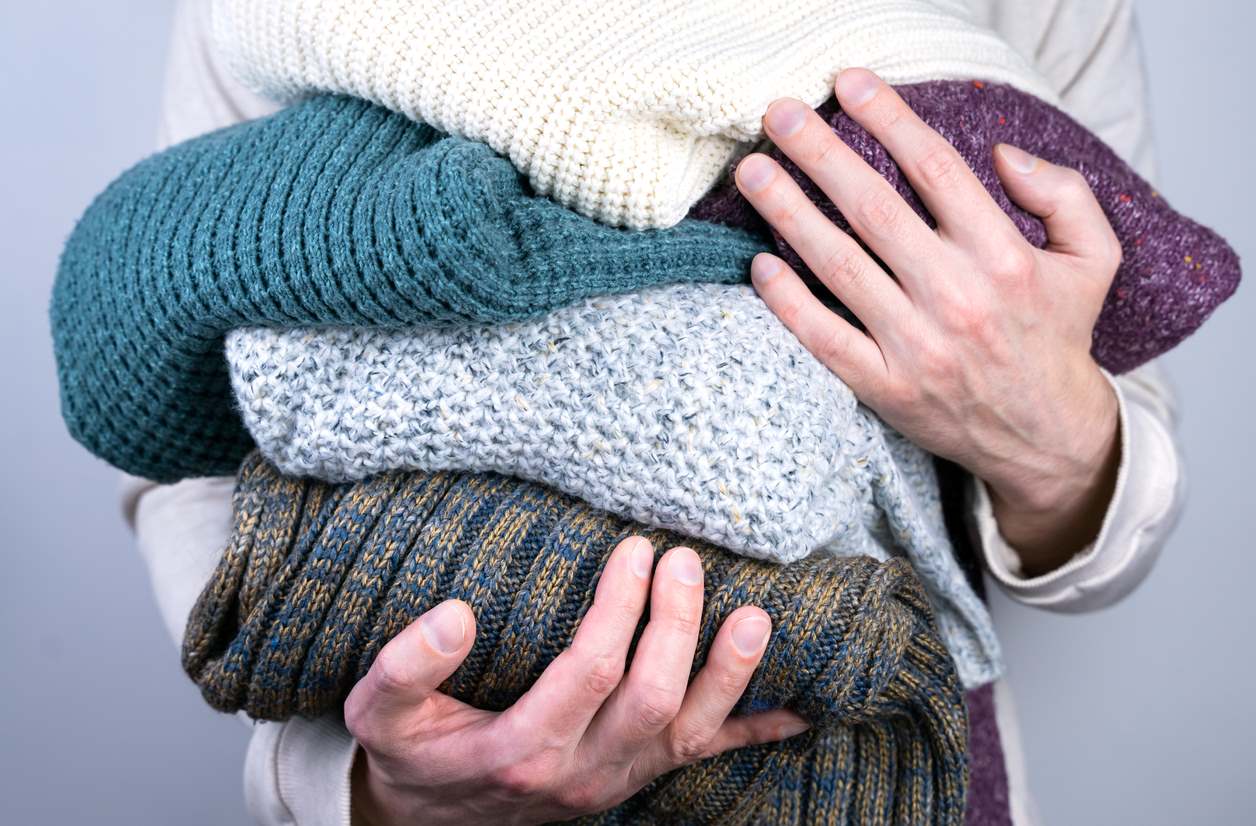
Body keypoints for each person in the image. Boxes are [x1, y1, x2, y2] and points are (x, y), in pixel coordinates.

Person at [126, 0, 1183, 823]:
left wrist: (1048, 434)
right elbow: (188, 428)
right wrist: (374, 791)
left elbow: (1116, 440)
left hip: (889, 735)